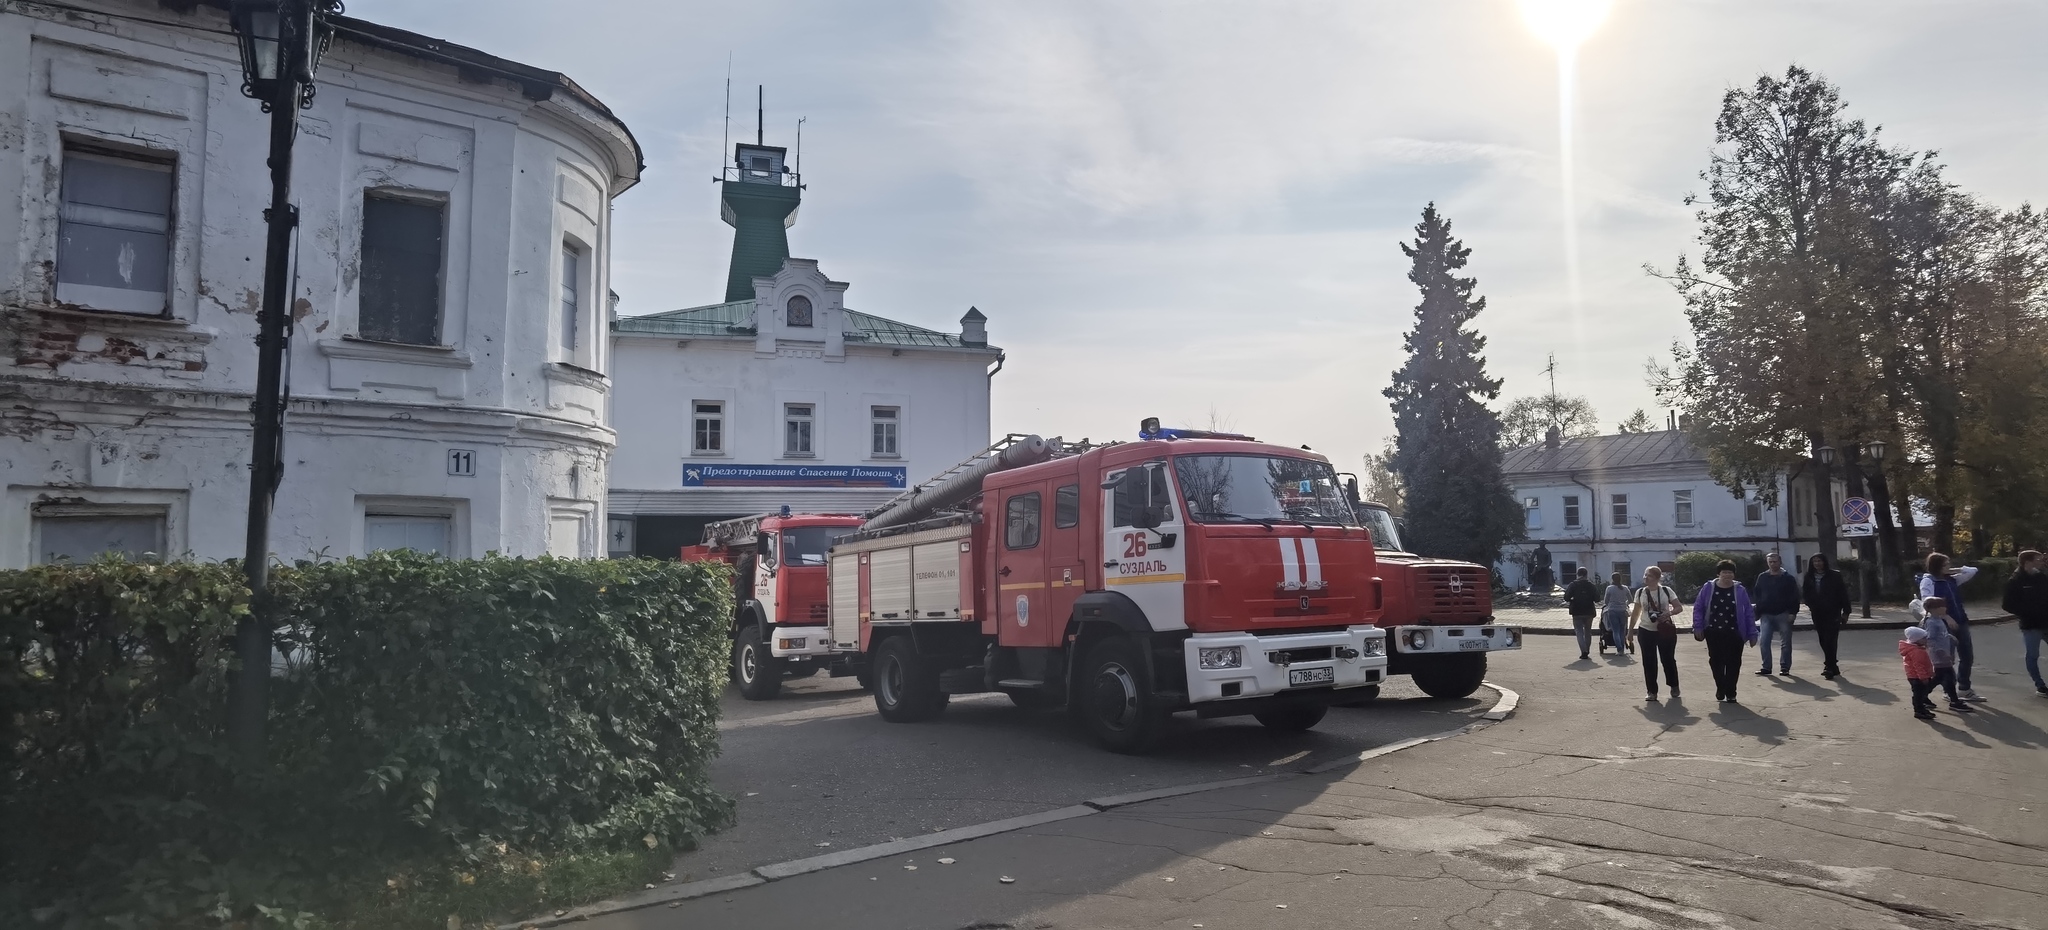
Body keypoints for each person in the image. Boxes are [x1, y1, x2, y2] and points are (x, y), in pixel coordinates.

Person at [1920, 554, 1983, 702]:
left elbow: (1972, 571)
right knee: (1946, 660)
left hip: (1961, 621)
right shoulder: (1928, 581)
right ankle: (1949, 691)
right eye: (1945, 565)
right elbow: (1927, 603)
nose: (1949, 567)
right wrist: (1945, 617)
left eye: (1949, 564)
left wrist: (1956, 569)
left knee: (1967, 656)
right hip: (1942, 625)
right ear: (1936, 566)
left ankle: (1964, 689)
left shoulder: (1952, 579)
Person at [1693, 560, 1758, 703]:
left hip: (1735, 632)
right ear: (1718, 573)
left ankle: (1731, 692)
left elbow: (1748, 612)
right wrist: (1698, 627)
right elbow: (1699, 608)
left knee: (1734, 663)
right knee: (1716, 661)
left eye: (1730, 572)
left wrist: (1752, 633)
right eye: (1724, 572)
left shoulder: (1740, 590)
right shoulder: (1708, 588)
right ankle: (1720, 686)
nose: (1727, 575)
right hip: (1714, 631)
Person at [1629, 566, 1683, 701]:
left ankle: (1674, 685)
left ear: (1658, 578)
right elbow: (1636, 613)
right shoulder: (1640, 592)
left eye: (1649, 576)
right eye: (1645, 575)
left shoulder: (1666, 591)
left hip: (1664, 629)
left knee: (1668, 659)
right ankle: (1651, 691)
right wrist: (1630, 631)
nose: (1646, 578)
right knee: (1648, 661)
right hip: (1646, 630)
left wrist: (1668, 613)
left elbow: (1679, 607)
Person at [2002, 550, 2048, 696]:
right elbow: (2007, 604)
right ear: (2028, 562)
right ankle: (2040, 685)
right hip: (2031, 625)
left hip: (2046, 621)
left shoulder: (2041, 577)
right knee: (2033, 655)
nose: (2041, 562)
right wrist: (2026, 612)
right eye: (2038, 559)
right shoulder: (2016, 581)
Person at [1801, 553, 1852, 679]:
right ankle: (1833, 666)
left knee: (1830, 639)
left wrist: (1846, 612)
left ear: (1824, 562)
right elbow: (1805, 593)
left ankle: (1828, 666)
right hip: (1817, 612)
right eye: (1815, 561)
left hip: (1832, 612)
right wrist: (1810, 604)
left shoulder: (1834, 576)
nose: (1817, 563)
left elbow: (1842, 593)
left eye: (1819, 561)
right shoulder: (1809, 576)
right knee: (1823, 639)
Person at [1751, 552, 1800, 676]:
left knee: (1786, 643)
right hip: (1766, 614)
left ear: (1780, 562)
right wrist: (1758, 610)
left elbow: (1795, 596)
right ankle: (1766, 667)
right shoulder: (1762, 577)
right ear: (1767, 563)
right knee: (1764, 641)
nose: (1773, 564)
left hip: (1783, 613)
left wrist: (1793, 612)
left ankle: (1785, 667)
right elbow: (1757, 594)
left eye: (1775, 561)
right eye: (1770, 562)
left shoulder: (1788, 578)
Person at [1920, 596, 1972, 713]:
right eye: (1942, 606)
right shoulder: (1932, 622)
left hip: (1943, 653)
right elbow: (1931, 639)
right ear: (1934, 609)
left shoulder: (1939, 620)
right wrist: (1942, 652)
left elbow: (1941, 634)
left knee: (1941, 677)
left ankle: (1923, 696)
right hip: (1939, 656)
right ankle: (1954, 701)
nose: (1945, 608)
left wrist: (1950, 637)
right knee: (1947, 677)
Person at [1564, 567, 1601, 660]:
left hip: (1576, 611)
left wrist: (1573, 598)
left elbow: (1566, 597)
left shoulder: (1573, 585)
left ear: (1577, 574)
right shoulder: (1591, 585)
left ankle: (1583, 651)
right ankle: (1587, 650)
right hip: (1589, 611)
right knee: (1588, 631)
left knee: (1579, 631)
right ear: (1586, 574)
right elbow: (1597, 599)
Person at [1900, 626, 1936, 720]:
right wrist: (1924, 677)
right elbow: (1918, 666)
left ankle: (1921, 709)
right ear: (1917, 640)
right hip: (1917, 677)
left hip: (1916, 676)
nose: (1926, 639)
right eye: (1924, 638)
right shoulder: (1916, 651)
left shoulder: (1917, 648)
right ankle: (1919, 711)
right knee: (1918, 694)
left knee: (1920, 693)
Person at [1601, 571, 1633, 658]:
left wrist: (1610, 603)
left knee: (1615, 630)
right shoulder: (1625, 588)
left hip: (1612, 610)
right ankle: (1622, 647)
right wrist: (1624, 603)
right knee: (1622, 630)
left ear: (1612, 579)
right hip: (1623, 610)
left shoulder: (1609, 588)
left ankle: (1619, 649)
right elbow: (1630, 600)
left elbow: (1606, 601)